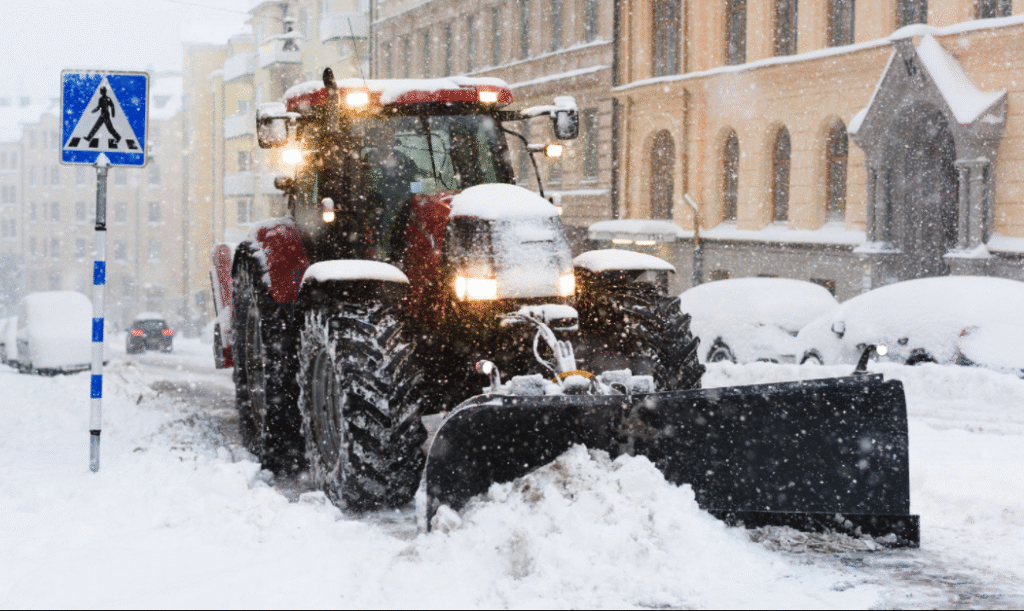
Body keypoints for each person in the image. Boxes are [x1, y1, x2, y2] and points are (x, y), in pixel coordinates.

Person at [363, 123, 420, 261]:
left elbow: (416, 182)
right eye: (382, 137)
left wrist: (412, 198)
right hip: (375, 209)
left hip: (402, 209)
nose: (386, 141)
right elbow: (362, 186)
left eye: (388, 137)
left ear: (393, 140)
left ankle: (396, 257)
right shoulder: (367, 160)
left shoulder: (404, 160)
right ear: (376, 140)